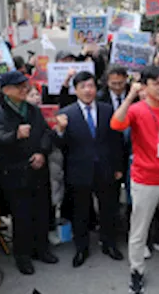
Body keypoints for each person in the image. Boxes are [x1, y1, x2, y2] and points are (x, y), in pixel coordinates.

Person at [111, 65, 159, 294]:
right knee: (139, 229)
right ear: (145, 86)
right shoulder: (135, 110)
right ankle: (136, 270)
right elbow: (116, 124)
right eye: (156, 83)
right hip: (144, 179)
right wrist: (131, 95)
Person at [52, 71, 126, 268]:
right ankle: (81, 248)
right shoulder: (66, 113)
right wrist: (59, 130)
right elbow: (59, 145)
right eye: (83, 86)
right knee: (81, 212)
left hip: (106, 168)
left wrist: (119, 167)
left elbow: (116, 141)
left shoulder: (107, 109)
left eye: (91, 86)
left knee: (109, 209)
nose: (87, 90)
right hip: (79, 171)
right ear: (76, 90)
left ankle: (109, 244)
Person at [0, 70, 57, 275]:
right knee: (22, 217)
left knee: (42, 212)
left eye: (24, 85)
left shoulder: (32, 110)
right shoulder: (0, 114)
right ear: (6, 90)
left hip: (38, 169)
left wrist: (41, 153)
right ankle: (23, 256)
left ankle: (42, 249)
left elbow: (46, 132)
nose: (23, 89)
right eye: (18, 86)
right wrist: (14, 135)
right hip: (16, 173)